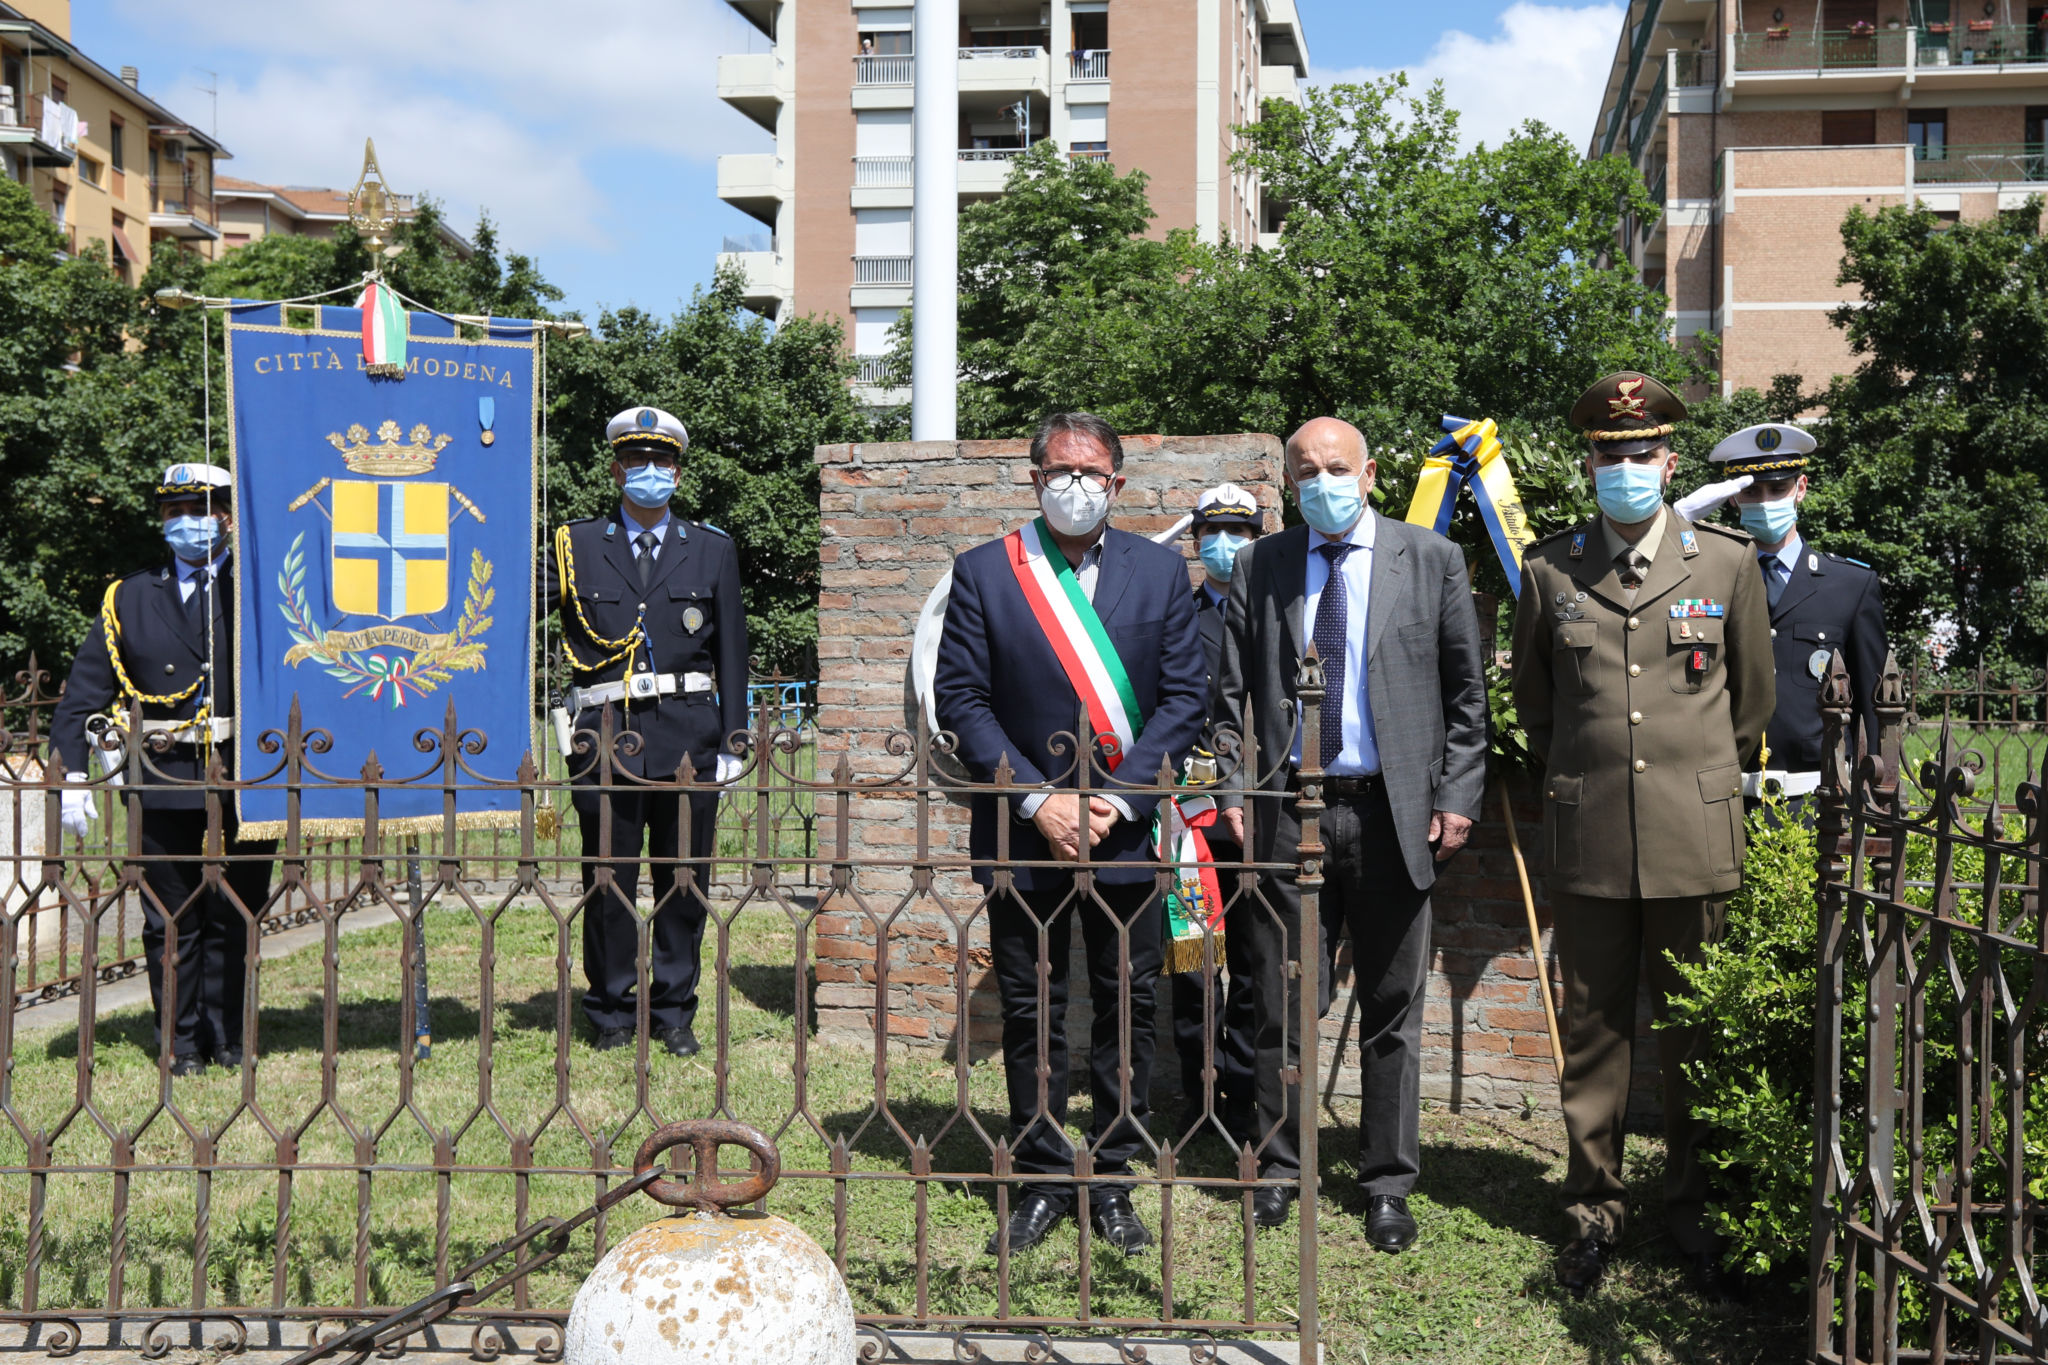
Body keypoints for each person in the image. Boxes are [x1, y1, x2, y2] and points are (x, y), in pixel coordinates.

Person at [1509, 373, 1774, 1299]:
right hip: (1590, 841)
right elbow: (1537, 708)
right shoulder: (1551, 569)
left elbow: (1750, 705)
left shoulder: (1725, 563)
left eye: (1639, 453)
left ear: (1669, 460)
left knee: (1697, 1034)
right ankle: (1592, 1213)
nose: (1623, 468)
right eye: (1607, 455)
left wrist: (1694, 782)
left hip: (1693, 836)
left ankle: (1698, 1212)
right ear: (1589, 462)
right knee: (1594, 1033)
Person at [933, 411, 1205, 1258]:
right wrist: (1036, 802)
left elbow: (1185, 701)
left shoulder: (1161, 574)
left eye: (1091, 472)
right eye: (1059, 471)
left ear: (1118, 483)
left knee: (1129, 1005)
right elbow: (962, 701)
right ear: (1034, 478)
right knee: (1032, 1006)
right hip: (1025, 835)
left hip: (1126, 835)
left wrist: (1118, 801)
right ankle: (1044, 1174)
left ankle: (1115, 1176)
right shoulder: (986, 572)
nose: (1075, 485)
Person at [1212, 417, 1489, 1252]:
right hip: (1286, 811)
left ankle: (1387, 1183)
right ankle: (1281, 1167)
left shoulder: (1430, 559)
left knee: (1391, 1008)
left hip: (1392, 811)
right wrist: (1232, 784)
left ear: (1368, 473)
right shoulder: (1261, 565)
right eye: (1306, 470)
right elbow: (1229, 696)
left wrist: (1459, 797)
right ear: (1288, 480)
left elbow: (1467, 698)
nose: (1322, 481)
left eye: (1337, 467)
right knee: (1281, 1000)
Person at [52, 463, 276, 1076]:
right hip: (164, 773)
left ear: (228, 517)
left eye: (200, 510)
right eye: (175, 512)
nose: (187, 523)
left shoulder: (265, 587)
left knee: (239, 908)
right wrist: (74, 774)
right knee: (170, 917)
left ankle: (227, 1034)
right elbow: (82, 695)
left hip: (246, 775)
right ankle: (179, 1044)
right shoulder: (128, 596)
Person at [543, 406, 747, 1058]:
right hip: (603, 735)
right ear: (615, 469)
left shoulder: (712, 548)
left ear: (679, 474)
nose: (649, 473)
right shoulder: (573, 546)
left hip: (689, 736)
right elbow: (518, 610)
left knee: (684, 880)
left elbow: (734, 653)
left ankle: (674, 1008)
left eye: (661, 463)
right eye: (636, 461)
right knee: (607, 878)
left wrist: (735, 741)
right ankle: (609, 1007)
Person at [1677, 424, 1888, 810]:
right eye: (1751, 491)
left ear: (1801, 488)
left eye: (1778, 489)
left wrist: (1875, 793)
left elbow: (1875, 708)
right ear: (1733, 499)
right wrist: (1676, 522)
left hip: (1817, 800)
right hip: (1720, 796)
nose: (1765, 501)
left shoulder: (1850, 584)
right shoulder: (1704, 578)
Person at [1170, 482, 1263, 1144]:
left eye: (1239, 532)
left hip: (1259, 815)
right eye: (1212, 533)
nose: (1224, 545)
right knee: (1194, 962)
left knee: (1258, 962)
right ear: (1196, 541)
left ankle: (1245, 1095)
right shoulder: (1174, 615)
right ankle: (1199, 1096)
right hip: (1191, 817)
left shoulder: (1281, 611)